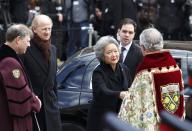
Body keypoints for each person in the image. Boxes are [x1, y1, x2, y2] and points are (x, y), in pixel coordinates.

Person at [118, 28, 185, 131]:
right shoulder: (176, 68)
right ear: (161, 44)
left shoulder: (144, 73)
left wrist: (125, 96)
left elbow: (133, 105)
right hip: (174, 124)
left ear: (143, 48)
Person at [20, 14, 62, 131]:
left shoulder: (53, 49)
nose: (47, 32)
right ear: (34, 29)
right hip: (34, 107)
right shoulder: (26, 49)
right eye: (44, 29)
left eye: (49, 28)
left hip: (51, 107)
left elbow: (53, 81)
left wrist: (56, 102)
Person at [0, 24, 41, 131]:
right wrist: (35, 102)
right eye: (27, 41)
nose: (29, 45)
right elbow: (19, 95)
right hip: (8, 120)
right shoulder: (10, 63)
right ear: (18, 39)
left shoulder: (5, 55)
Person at [87, 36, 132, 131]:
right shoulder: (98, 72)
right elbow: (102, 91)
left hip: (120, 116)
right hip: (102, 119)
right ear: (102, 56)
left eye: (115, 51)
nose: (114, 55)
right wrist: (119, 94)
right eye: (109, 52)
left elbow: (130, 88)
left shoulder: (124, 69)